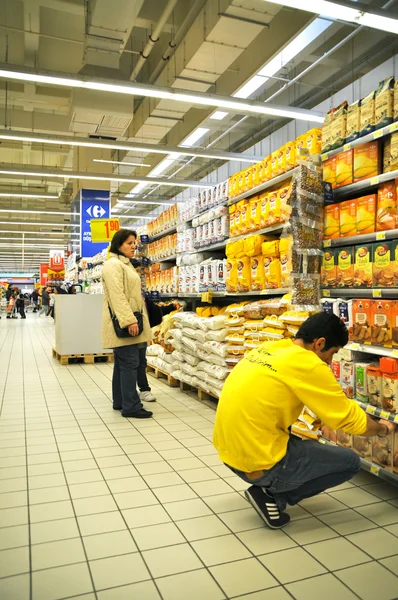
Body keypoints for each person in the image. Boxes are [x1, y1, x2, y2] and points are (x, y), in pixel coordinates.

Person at [213, 312, 396, 529]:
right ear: (320, 343)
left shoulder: (271, 348)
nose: (330, 361)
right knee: (350, 462)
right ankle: (272, 497)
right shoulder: (309, 364)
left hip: (228, 451)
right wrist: (382, 429)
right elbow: (348, 419)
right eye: (333, 353)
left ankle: (266, 481)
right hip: (257, 460)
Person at [102, 229, 153, 419]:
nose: (134, 247)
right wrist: (129, 320)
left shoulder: (124, 264)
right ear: (118, 244)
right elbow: (117, 296)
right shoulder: (113, 265)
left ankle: (120, 401)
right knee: (130, 363)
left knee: (122, 364)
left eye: (135, 243)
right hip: (125, 323)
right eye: (129, 243)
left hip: (128, 319)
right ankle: (131, 406)